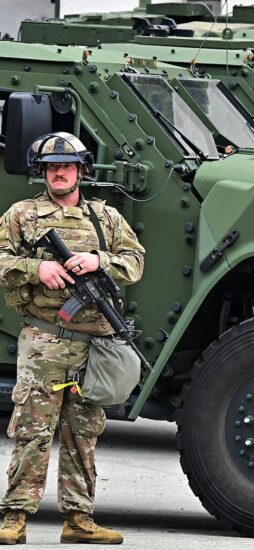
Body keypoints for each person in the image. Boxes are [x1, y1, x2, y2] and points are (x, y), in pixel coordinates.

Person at [0, 132, 145, 545]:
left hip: (92, 345)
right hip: (45, 339)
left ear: (81, 170)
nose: (59, 172)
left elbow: (135, 262)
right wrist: (35, 269)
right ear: (42, 172)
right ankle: (15, 517)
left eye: (66, 166)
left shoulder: (107, 218)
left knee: (84, 431)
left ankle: (78, 519)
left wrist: (99, 259)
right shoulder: (22, 214)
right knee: (32, 429)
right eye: (51, 167)